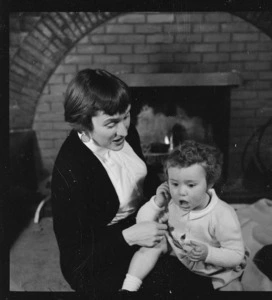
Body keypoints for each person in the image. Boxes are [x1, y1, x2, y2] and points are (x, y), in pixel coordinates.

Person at [51, 69, 213, 300]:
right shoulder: (70, 171)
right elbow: (76, 259)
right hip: (101, 258)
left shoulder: (125, 134)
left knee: (203, 278)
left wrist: (161, 202)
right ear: (83, 124)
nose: (124, 130)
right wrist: (129, 236)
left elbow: (142, 183)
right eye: (111, 123)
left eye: (126, 116)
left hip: (144, 227)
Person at [121, 140, 247, 293]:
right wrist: (157, 202)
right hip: (179, 251)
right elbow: (143, 222)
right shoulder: (171, 202)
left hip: (215, 266)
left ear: (209, 184)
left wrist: (209, 253)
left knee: (233, 287)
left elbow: (236, 255)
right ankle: (128, 289)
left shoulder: (223, 214)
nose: (181, 192)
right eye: (174, 184)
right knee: (150, 247)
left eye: (191, 185)